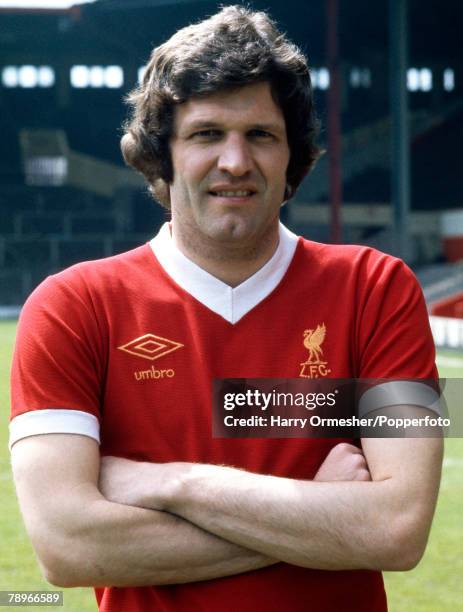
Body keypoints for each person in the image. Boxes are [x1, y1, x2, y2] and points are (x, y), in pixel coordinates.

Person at [10, 6, 442, 612]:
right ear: (163, 155)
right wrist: (317, 514)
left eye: (261, 134)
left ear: (292, 154)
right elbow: (67, 547)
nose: (235, 162)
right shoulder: (69, 307)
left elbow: (398, 529)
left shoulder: (381, 288)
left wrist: (172, 482)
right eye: (207, 133)